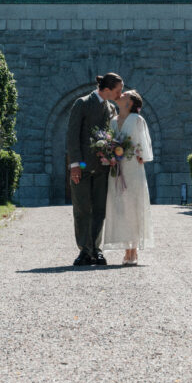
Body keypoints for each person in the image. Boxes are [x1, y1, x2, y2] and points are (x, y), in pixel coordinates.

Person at [66, 72, 123, 267]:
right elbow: (72, 135)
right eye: (118, 90)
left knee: (99, 209)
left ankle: (96, 250)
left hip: (103, 168)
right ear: (106, 89)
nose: (120, 94)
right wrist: (75, 165)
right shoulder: (82, 104)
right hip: (81, 167)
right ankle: (84, 250)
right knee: (82, 209)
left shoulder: (111, 108)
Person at [102, 89, 154, 265]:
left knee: (134, 205)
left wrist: (141, 155)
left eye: (125, 94)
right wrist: (109, 155)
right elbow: (109, 142)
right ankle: (127, 250)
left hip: (132, 167)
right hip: (117, 168)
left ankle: (134, 251)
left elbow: (143, 144)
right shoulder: (113, 121)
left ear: (130, 102)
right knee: (121, 208)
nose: (121, 94)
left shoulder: (137, 119)